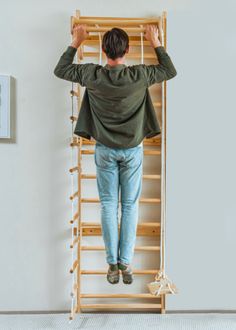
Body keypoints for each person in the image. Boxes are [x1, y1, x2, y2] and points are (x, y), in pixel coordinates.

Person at [54, 23, 177, 285]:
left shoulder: (92, 75)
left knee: (109, 206)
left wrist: (76, 40)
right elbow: (169, 70)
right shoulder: (139, 75)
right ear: (128, 50)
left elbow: (61, 69)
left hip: (105, 150)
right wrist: (155, 41)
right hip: (132, 150)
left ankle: (111, 263)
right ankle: (126, 262)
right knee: (130, 206)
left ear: (102, 49)